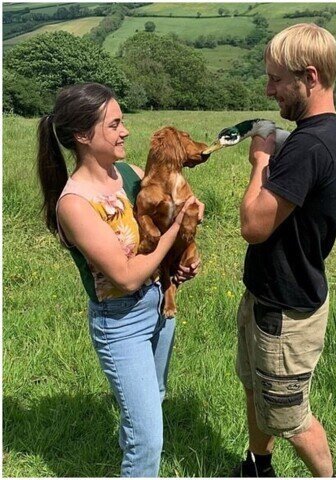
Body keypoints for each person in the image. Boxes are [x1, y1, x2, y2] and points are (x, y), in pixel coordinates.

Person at [36, 83, 201, 477]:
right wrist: (177, 230)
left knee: (152, 403)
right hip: (121, 322)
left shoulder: (130, 174)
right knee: (149, 441)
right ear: (82, 136)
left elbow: (173, 215)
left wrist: (182, 259)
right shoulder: (74, 204)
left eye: (122, 121)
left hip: (159, 306)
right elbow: (125, 278)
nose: (125, 131)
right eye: (114, 124)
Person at [232, 23, 336, 478]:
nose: (269, 90)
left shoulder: (309, 145)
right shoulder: (327, 135)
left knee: (290, 417)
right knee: (258, 392)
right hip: (269, 297)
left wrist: (262, 157)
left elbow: (253, 225)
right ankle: (257, 466)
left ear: (310, 76)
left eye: (277, 80)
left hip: (286, 311)